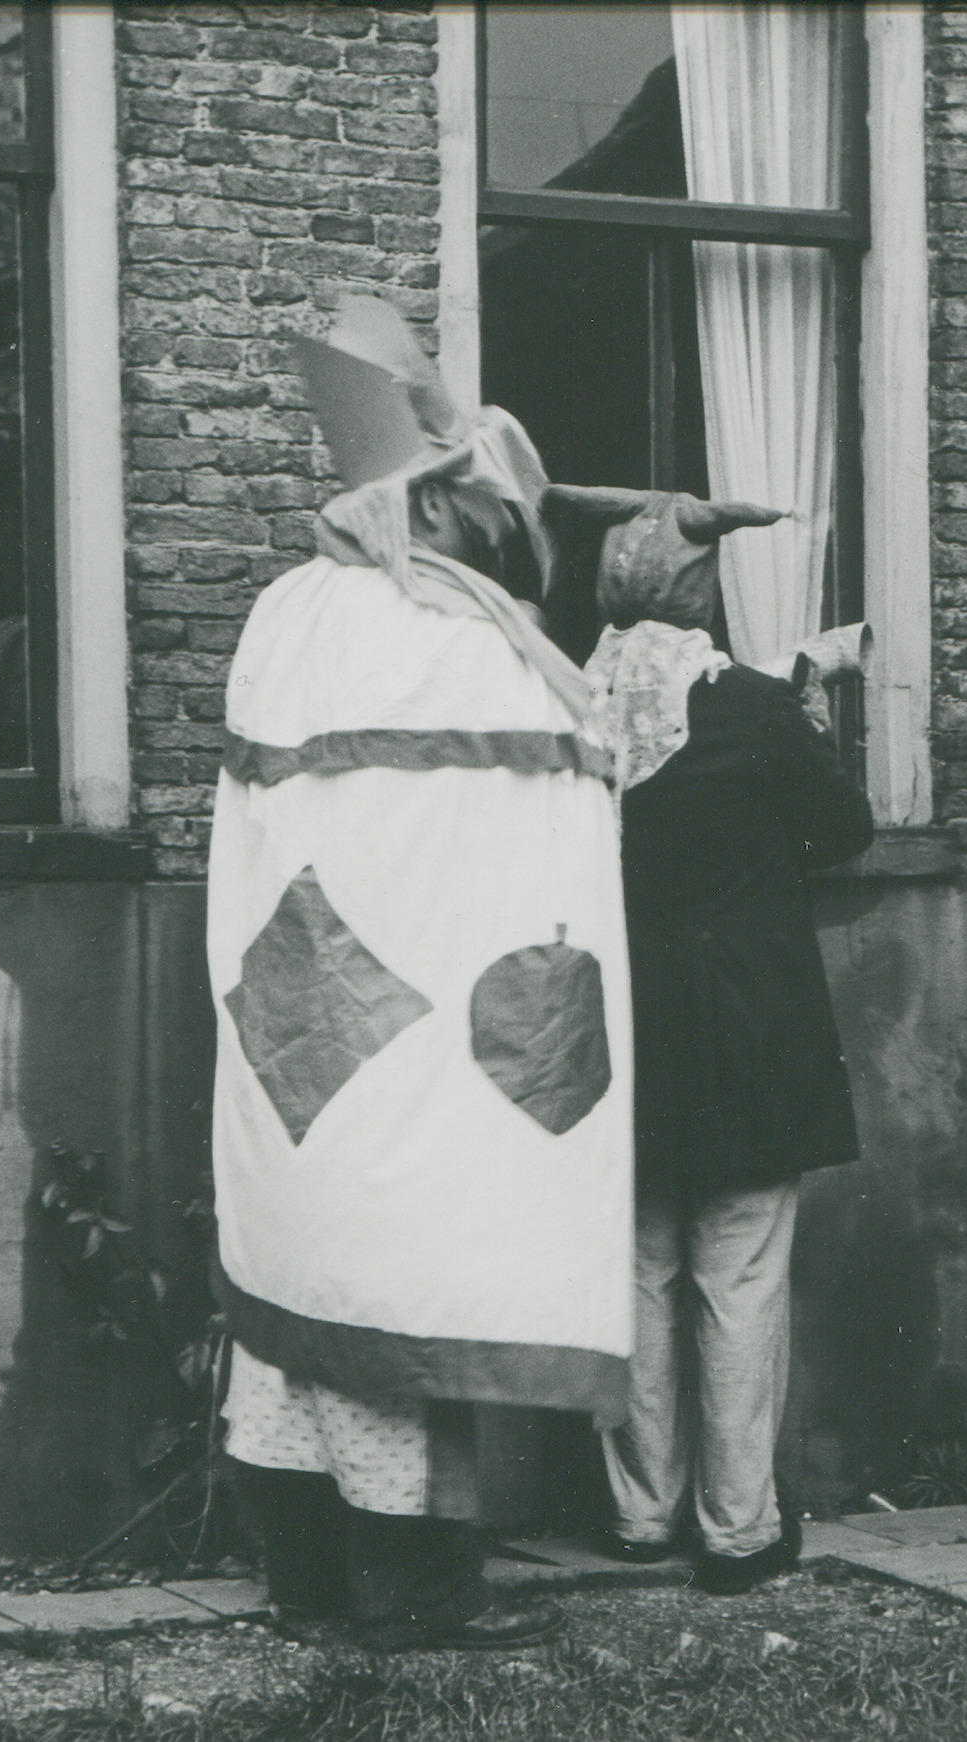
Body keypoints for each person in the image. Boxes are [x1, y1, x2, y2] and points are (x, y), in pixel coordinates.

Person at [208, 297, 632, 1651]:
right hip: (418, 1059)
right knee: (401, 1308)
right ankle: (416, 1593)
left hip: (301, 1051)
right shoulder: (453, 636)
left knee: (297, 1313)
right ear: (436, 504)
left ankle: (305, 1581)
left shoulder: (286, 616)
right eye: (473, 499)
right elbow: (521, 835)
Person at [551, 484, 875, 1595]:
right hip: (748, 1025)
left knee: (637, 1269)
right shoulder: (747, 703)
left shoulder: (564, 702)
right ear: (701, 594)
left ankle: (640, 1513)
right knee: (738, 1271)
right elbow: (844, 829)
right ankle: (738, 1528)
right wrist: (805, 712)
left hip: (613, 1024)